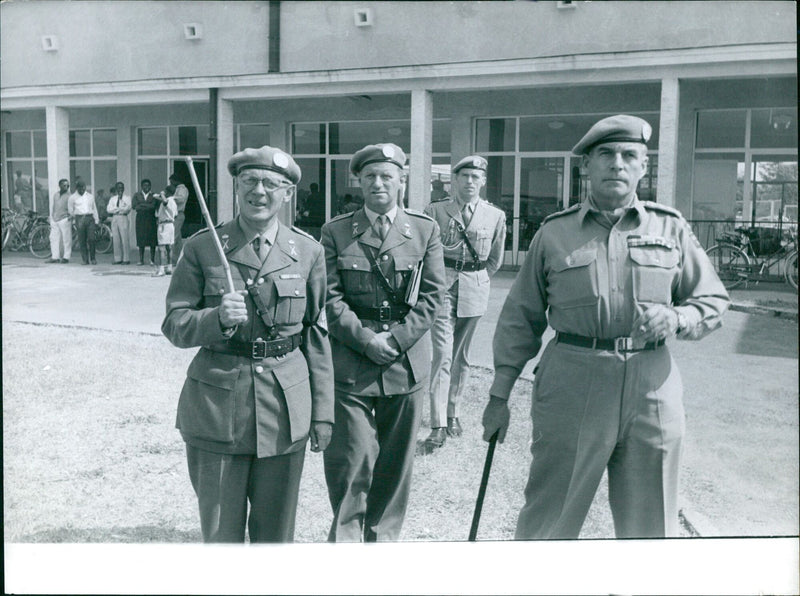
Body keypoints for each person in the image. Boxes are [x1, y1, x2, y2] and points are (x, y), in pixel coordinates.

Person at [482, 115, 730, 539]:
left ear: (643, 167)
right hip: (573, 383)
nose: (617, 163)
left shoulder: (670, 227)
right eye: (606, 155)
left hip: (652, 388)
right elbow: (519, 321)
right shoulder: (554, 234)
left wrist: (678, 317)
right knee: (549, 520)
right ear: (586, 167)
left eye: (628, 155)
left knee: (651, 526)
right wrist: (498, 396)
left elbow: (712, 299)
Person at [161, 145, 333, 543]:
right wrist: (216, 318)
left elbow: (316, 335)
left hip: (284, 410)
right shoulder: (203, 246)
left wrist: (323, 413)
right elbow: (175, 323)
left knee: (276, 538)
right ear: (236, 188)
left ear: (288, 193)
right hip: (218, 409)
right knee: (221, 537)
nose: (260, 191)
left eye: (272, 184)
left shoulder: (307, 251)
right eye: (250, 182)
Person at [320, 143, 445, 542]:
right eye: (370, 176)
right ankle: (347, 542)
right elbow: (330, 297)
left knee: (395, 462)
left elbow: (432, 296)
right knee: (351, 458)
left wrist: (395, 338)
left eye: (387, 176)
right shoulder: (336, 230)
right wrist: (366, 340)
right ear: (359, 181)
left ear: (401, 182)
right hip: (353, 362)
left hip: (405, 363)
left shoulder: (424, 229)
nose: (378, 183)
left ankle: (382, 541)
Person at [419, 156, 506, 453]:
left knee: (462, 356)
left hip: (474, 287)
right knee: (442, 354)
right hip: (443, 286)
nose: (469, 181)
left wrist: (477, 279)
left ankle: (454, 411)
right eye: (464, 175)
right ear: (453, 180)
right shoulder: (436, 210)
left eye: (475, 176)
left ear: (482, 182)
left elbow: (494, 259)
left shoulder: (495, 216)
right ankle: (438, 423)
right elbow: (425, 251)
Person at [67, 179, 99, 265]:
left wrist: (96, 220)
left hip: (89, 218)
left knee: (92, 239)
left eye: (83, 187)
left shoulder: (90, 196)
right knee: (82, 240)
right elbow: (70, 210)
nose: (82, 189)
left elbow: (94, 208)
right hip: (79, 218)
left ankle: (93, 258)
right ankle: (85, 259)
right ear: (76, 188)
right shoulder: (72, 198)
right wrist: (77, 216)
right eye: (80, 188)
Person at [152, 186, 178, 277]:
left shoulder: (168, 201)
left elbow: (165, 201)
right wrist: (157, 196)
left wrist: (162, 194)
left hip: (164, 225)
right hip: (171, 224)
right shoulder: (174, 202)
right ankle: (169, 267)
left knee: (161, 248)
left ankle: (161, 269)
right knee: (169, 247)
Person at [132, 179, 158, 266]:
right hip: (140, 219)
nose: (146, 187)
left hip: (151, 219)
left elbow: (153, 206)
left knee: (152, 240)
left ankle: (152, 260)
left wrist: (142, 204)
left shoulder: (154, 195)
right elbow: (135, 206)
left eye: (148, 185)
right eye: (145, 185)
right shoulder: (137, 195)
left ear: (150, 186)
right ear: (141, 186)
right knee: (141, 239)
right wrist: (147, 205)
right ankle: (141, 259)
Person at [46, 178, 72, 264]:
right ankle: (55, 257)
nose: (66, 187)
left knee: (66, 239)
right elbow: (53, 206)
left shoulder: (70, 196)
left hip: (64, 219)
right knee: (53, 238)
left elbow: (72, 208)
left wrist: (70, 217)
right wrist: (51, 217)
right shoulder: (56, 195)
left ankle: (66, 257)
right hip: (55, 219)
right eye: (64, 185)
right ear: (60, 185)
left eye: (68, 185)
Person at [107, 181, 132, 265]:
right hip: (115, 218)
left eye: (121, 188)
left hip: (123, 217)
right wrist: (118, 209)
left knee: (124, 238)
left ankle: (126, 259)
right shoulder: (112, 199)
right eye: (118, 188)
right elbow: (109, 209)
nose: (120, 189)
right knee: (116, 239)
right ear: (116, 189)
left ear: (124, 189)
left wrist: (117, 208)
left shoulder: (127, 198)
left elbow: (127, 208)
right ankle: (117, 258)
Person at [169, 173, 190, 266]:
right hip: (175, 215)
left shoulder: (182, 189)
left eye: (171, 181)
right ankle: (178, 259)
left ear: (175, 180)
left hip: (178, 214)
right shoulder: (178, 189)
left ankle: (172, 259)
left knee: (173, 237)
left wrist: (171, 198)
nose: (171, 183)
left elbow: (181, 199)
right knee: (177, 240)